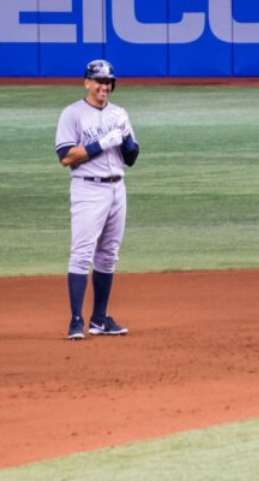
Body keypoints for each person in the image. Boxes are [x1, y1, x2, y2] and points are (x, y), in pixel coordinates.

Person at [55, 59, 140, 340]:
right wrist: (101, 143)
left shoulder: (120, 113)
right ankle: (76, 321)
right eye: (99, 81)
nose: (104, 86)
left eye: (108, 82)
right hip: (87, 189)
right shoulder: (72, 114)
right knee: (82, 254)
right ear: (87, 83)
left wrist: (126, 140)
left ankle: (99, 319)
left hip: (117, 188)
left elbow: (131, 159)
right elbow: (66, 157)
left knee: (109, 255)